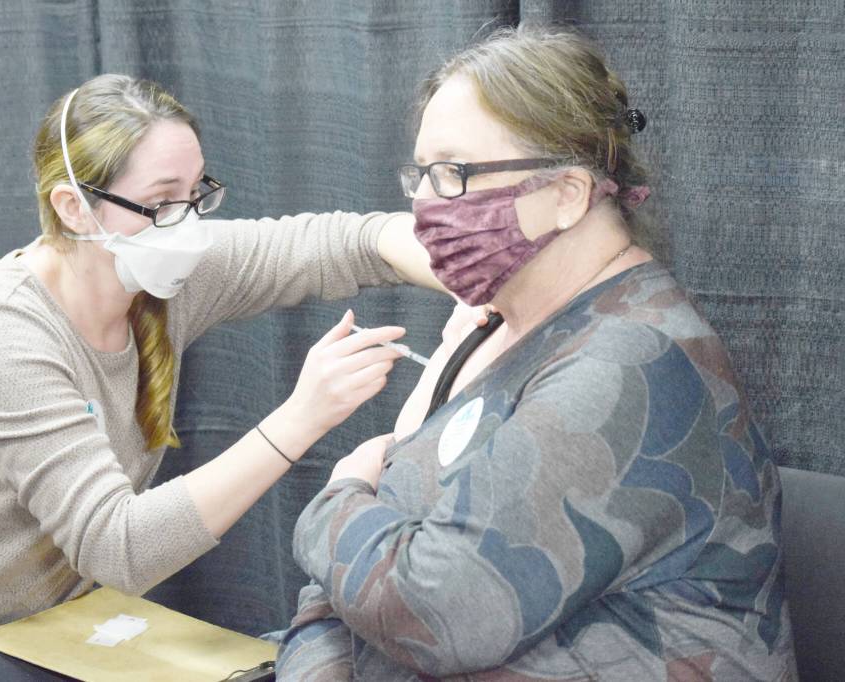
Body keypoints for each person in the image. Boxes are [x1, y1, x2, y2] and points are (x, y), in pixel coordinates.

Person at [0, 73, 449, 680]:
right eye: (161, 202)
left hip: (31, 631)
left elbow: (351, 242)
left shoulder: (158, 276)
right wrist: (300, 418)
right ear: (73, 207)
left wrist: (470, 266)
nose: (187, 224)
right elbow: (119, 549)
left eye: (197, 194)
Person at [278, 25, 797, 680]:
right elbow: (351, 588)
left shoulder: (633, 361)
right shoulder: (492, 331)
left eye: (453, 173)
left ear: (567, 194)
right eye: (421, 174)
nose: (424, 203)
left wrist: (338, 495)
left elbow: (436, 614)